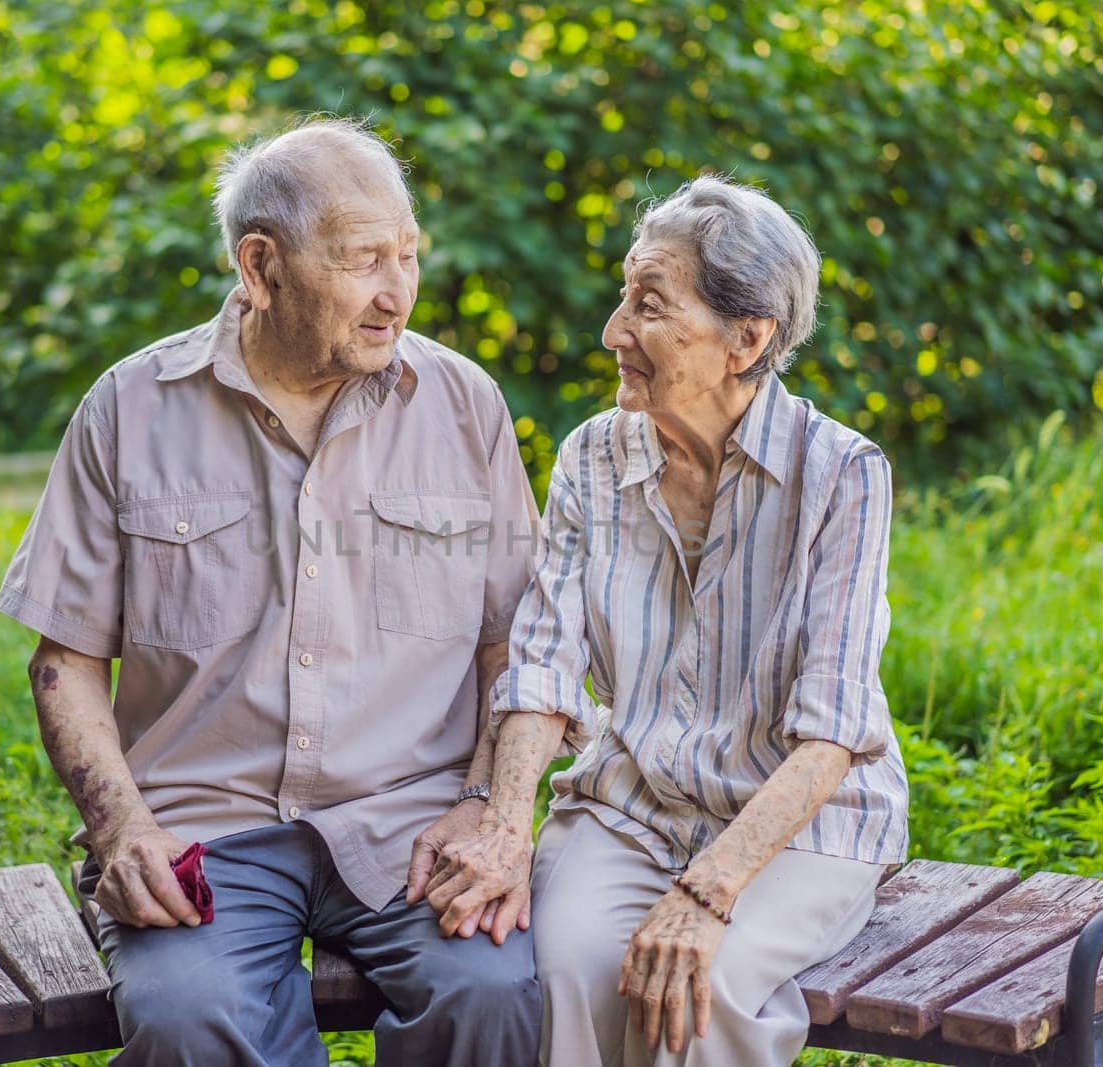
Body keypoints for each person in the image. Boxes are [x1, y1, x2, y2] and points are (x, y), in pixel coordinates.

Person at [0, 117, 542, 1066]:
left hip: (414, 825)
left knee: (494, 992)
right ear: (260, 266)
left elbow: (518, 642)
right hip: (204, 825)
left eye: (408, 255)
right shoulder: (129, 408)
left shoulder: (463, 405)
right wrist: (121, 825)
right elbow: (66, 661)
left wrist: (492, 804)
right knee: (187, 1017)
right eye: (364, 259)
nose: (396, 291)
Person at [422, 175, 909, 1066]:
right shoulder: (591, 456)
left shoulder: (841, 473)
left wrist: (711, 890)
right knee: (559, 969)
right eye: (622, 297)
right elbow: (540, 662)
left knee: (695, 989)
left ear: (747, 338)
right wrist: (505, 823)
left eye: (648, 304)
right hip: (634, 803)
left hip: (800, 824)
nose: (614, 331)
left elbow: (833, 731)